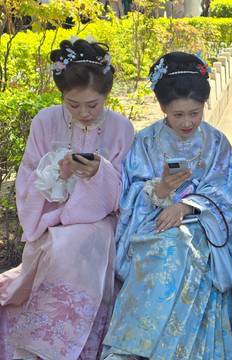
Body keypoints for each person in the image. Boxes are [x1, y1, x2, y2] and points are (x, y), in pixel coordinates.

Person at [102, 52, 232, 359]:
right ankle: (138, 346)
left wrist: (188, 206)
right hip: (152, 223)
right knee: (166, 245)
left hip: (204, 228)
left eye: (195, 113)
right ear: (162, 107)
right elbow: (128, 196)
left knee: (184, 246)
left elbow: (228, 194)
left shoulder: (217, 143)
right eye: (177, 114)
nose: (187, 122)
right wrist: (161, 189)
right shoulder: (145, 142)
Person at [0, 38, 135, 360]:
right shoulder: (45, 121)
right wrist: (57, 174)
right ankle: (47, 343)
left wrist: (97, 174)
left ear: (107, 95)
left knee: (74, 244)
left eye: (94, 104)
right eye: (73, 105)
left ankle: (56, 347)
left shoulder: (121, 127)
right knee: (58, 245)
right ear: (61, 95)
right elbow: (28, 178)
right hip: (49, 217)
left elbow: (126, 193)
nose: (84, 113)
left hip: (102, 224)